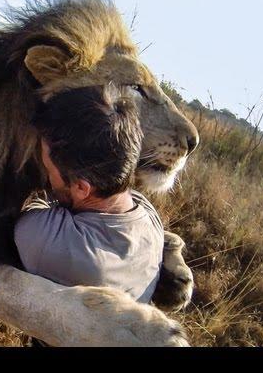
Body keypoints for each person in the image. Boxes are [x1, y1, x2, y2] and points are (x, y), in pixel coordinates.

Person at [15, 84, 164, 311]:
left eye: (47, 168)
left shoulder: (51, 242)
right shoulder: (150, 218)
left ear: (82, 188)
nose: (45, 175)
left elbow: (30, 211)